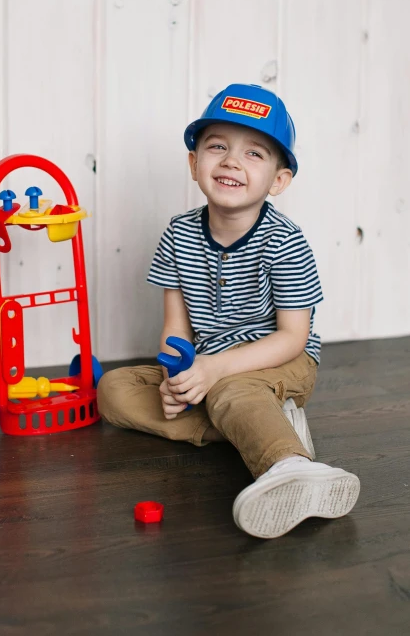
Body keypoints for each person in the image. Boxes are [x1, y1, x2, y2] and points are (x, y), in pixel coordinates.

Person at [97, 83, 360, 539]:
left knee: (227, 391)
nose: (232, 161)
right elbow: (175, 330)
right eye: (217, 146)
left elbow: (292, 338)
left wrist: (215, 371)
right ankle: (262, 427)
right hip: (208, 362)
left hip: (279, 359)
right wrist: (176, 379)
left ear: (278, 180)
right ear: (194, 163)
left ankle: (288, 465)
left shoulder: (284, 241)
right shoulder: (178, 235)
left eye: (254, 153)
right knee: (114, 390)